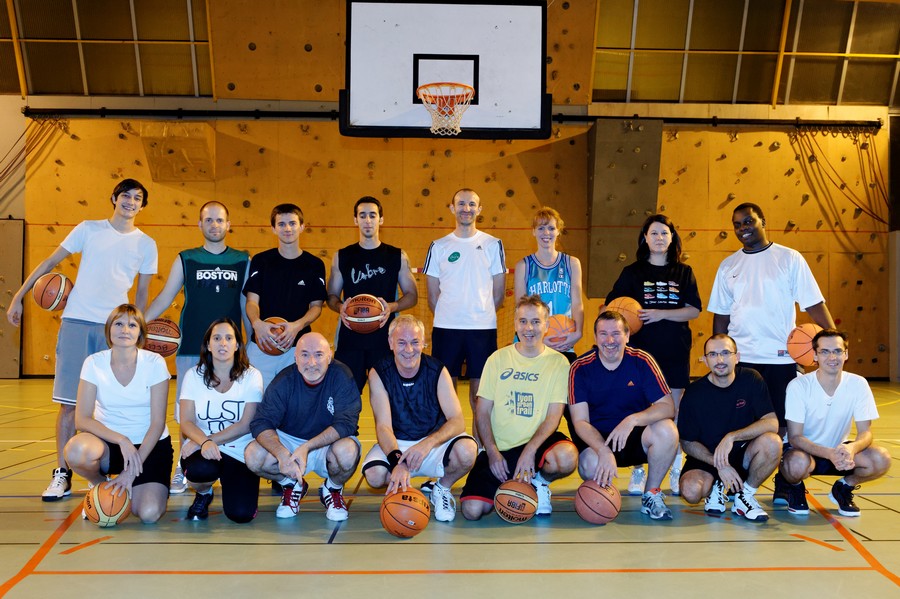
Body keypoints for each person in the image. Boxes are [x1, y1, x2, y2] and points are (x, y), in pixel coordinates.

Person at [6, 179, 157, 501]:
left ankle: (96, 468)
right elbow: (49, 263)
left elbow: (142, 294)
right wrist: (18, 296)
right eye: (126, 196)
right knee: (68, 406)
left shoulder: (146, 244)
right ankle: (61, 473)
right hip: (76, 322)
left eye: (137, 198)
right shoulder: (89, 229)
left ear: (142, 206)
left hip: (114, 331)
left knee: (103, 406)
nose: (131, 202)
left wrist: (136, 332)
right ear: (114, 198)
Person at [708, 203, 835, 503]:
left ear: (763, 221)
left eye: (749, 221)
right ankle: (732, 481)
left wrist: (832, 335)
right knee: (738, 425)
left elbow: (813, 302)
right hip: (743, 359)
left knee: (783, 427)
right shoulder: (728, 265)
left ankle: (787, 483)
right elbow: (721, 316)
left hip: (780, 358)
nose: (743, 228)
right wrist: (720, 353)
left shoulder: (789, 258)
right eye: (737, 224)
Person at [144, 200, 250, 495]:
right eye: (209, 220)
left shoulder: (242, 260)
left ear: (229, 225)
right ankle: (184, 464)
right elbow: (165, 297)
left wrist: (251, 343)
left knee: (231, 408)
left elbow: (245, 304)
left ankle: (232, 460)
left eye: (220, 220)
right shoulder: (186, 258)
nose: (214, 225)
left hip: (230, 350)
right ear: (199, 225)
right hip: (192, 345)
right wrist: (139, 324)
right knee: (186, 412)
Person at [605, 214, 701, 497]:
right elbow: (613, 306)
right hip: (640, 353)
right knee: (640, 407)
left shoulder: (684, 272)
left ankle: (670, 461)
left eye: (664, 233)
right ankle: (639, 464)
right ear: (645, 238)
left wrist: (660, 314)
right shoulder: (632, 273)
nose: (659, 238)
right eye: (654, 233)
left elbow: (694, 310)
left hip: (674, 350)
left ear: (672, 238)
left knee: (671, 409)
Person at [459, 295, 578, 520]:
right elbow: (482, 411)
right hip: (500, 450)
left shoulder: (559, 363)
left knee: (566, 456)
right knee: (472, 511)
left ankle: (539, 482)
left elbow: (554, 417)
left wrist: (530, 451)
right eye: (523, 321)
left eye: (535, 321)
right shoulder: (497, 359)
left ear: (547, 325)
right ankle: (510, 486)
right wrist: (492, 452)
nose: (529, 328)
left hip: (536, 445)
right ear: (515, 324)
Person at [361, 315, 477, 522]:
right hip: (397, 443)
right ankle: (405, 492)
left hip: (432, 445)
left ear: (424, 343)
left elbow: (458, 420)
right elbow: (383, 427)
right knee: (375, 474)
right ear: (390, 343)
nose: (409, 349)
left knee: (468, 450)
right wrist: (399, 462)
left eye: (415, 342)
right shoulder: (378, 373)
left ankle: (441, 488)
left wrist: (427, 444)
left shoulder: (437, 370)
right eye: (402, 342)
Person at [63, 304, 171, 523]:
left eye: (132, 325)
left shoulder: (154, 363)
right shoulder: (94, 363)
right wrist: (121, 440)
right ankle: (100, 486)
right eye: (118, 323)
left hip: (149, 447)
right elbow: (81, 418)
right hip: (110, 446)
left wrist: (131, 471)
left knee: (149, 514)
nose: (125, 329)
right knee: (76, 450)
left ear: (140, 331)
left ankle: (128, 485)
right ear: (109, 329)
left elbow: (158, 423)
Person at [569, 310, 679, 521]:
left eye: (616, 333)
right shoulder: (580, 368)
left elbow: (667, 407)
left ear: (628, 336)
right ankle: (606, 495)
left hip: (633, 435)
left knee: (667, 431)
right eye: (603, 334)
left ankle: (651, 494)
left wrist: (632, 420)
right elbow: (580, 422)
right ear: (595, 337)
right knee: (589, 465)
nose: (610, 340)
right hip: (597, 439)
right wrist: (603, 450)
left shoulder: (642, 360)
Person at [244, 332, 361, 521]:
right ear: (295, 357)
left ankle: (332, 488)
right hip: (290, 440)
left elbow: (346, 423)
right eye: (305, 354)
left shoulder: (341, 376)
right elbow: (261, 422)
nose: (312, 362)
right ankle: (291, 484)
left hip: (326, 443)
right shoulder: (284, 381)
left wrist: (306, 447)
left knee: (348, 452)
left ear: (330, 357)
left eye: (319, 354)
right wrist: (282, 454)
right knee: (253, 456)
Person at [778, 329, 891, 517]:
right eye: (824, 351)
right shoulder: (799, 386)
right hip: (805, 452)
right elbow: (796, 437)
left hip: (839, 452)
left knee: (881, 459)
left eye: (838, 351)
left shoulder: (858, 384)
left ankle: (844, 487)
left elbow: (866, 433)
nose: (832, 357)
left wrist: (852, 448)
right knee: (795, 464)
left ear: (846, 354)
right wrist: (829, 453)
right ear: (815, 355)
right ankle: (794, 487)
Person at [423, 188, 506, 442]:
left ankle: (480, 450)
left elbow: (499, 293)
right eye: (461, 203)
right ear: (452, 208)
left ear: (479, 210)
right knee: (445, 393)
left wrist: (477, 314)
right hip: (447, 330)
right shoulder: (438, 246)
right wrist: (453, 315)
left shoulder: (493, 244)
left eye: (472, 204)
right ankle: (447, 446)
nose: (466, 208)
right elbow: (432, 295)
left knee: (479, 394)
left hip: (482, 330)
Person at [677, 334, 781, 522]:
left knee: (773, 442)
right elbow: (687, 441)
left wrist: (732, 437)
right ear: (705, 360)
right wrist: (719, 464)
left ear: (737, 356)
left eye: (725, 353)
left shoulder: (751, 379)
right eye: (713, 354)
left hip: (744, 456)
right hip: (708, 459)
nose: (720, 360)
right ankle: (716, 486)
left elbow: (771, 422)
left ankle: (745, 495)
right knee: (691, 492)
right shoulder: (693, 393)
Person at [326, 196, 418, 391]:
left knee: (388, 396)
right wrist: (340, 306)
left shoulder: (396, 256)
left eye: (372, 215)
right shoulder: (342, 256)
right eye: (362, 215)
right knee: (346, 396)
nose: (368, 220)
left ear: (381, 220)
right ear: (355, 220)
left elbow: (412, 295)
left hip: (385, 338)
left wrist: (393, 306)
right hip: (350, 337)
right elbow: (331, 296)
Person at [178, 319, 264, 523]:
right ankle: (204, 492)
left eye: (228, 338)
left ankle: (234, 483)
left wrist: (208, 439)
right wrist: (204, 443)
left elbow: (246, 424)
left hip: (239, 450)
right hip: (204, 450)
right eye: (216, 338)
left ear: (237, 345)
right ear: (208, 345)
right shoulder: (194, 375)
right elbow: (186, 422)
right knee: (199, 470)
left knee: (241, 515)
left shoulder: (252, 376)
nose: (222, 343)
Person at [243, 203, 327, 389]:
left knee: (294, 406)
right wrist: (257, 324)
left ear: (302, 226)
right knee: (256, 403)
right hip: (262, 344)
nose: (287, 228)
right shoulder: (261, 260)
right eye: (281, 224)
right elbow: (251, 301)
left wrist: (296, 326)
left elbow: (316, 306)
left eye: (292, 223)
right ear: (273, 228)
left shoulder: (314, 264)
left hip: (297, 347)